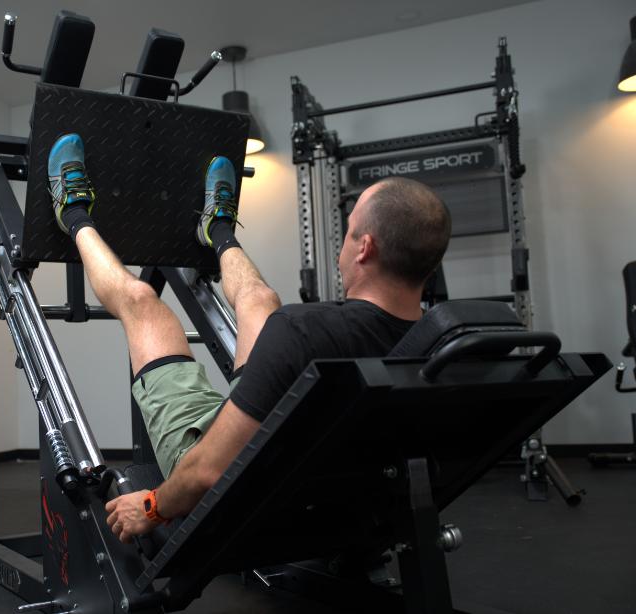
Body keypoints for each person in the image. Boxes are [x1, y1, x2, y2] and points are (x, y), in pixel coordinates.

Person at [46, 134, 451, 543]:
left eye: (348, 233)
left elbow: (207, 472)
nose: (344, 244)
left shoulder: (303, 331)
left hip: (242, 488)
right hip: (306, 471)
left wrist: (151, 505)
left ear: (364, 249)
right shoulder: (439, 347)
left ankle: (74, 213)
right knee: (260, 298)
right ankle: (217, 228)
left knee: (140, 300)